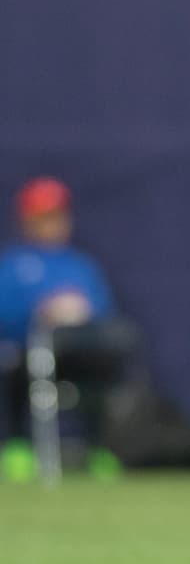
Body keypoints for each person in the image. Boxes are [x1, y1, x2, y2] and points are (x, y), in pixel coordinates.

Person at [0, 176, 136, 480]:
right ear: (27, 220)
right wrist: (40, 312)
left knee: (106, 367)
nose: (53, 224)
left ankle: (100, 448)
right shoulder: (12, 265)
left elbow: (103, 310)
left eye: (57, 216)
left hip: (75, 350)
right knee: (12, 371)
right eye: (44, 217)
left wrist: (79, 312)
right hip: (26, 351)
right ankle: (17, 449)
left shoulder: (80, 265)